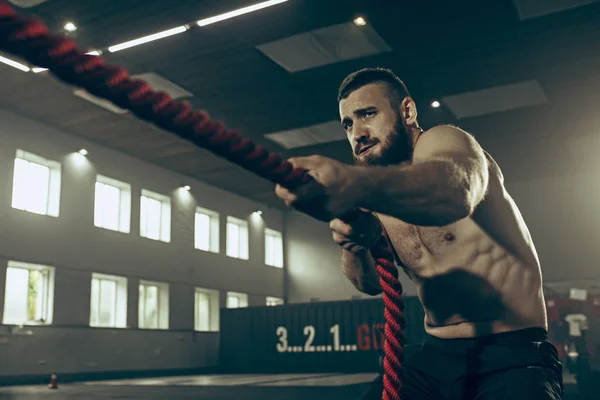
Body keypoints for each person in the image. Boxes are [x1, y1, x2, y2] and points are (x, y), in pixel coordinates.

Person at [275, 68, 563, 399]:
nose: (358, 132)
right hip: (437, 355)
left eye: (367, 114)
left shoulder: (445, 143)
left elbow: (455, 194)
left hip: (513, 354)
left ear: (407, 112)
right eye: (348, 124)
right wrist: (353, 243)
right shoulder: (372, 194)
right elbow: (368, 284)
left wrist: (353, 185)